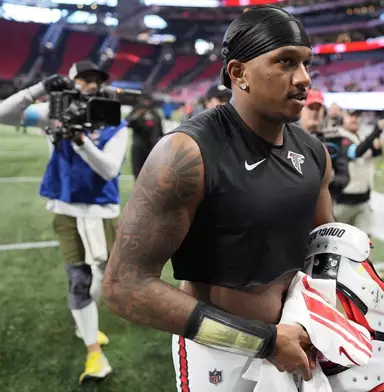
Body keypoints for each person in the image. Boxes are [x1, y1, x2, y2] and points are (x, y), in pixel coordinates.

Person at [102, 6, 335, 392]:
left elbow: (320, 252)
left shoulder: (314, 153)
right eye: (286, 62)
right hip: (221, 353)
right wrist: (264, 341)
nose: (303, 79)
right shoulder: (186, 153)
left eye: (307, 64)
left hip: (299, 337)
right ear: (238, 73)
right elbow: (124, 286)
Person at [0, 60, 127, 381]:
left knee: (104, 276)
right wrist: (39, 88)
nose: (90, 85)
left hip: (101, 210)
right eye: (83, 79)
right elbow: (3, 113)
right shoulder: (53, 111)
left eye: (95, 80)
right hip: (66, 207)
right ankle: (94, 354)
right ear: (70, 83)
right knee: (79, 279)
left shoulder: (111, 117)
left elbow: (110, 170)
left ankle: (85, 319)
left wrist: (80, 142)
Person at [333, 109, 384, 237]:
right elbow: (355, 152)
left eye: (356, 116)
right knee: (338, 246)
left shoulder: (360, 135)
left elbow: (372, 152)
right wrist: (376, 131)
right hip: (343, 203)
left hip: (364, 201)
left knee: (364, 247)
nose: (354, 119)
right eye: (350, 115)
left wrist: (377, 148)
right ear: (342, 117)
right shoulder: (338, 137)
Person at [299, 88, 350, 196]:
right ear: (301, 109)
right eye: (310, 107)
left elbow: (344, 176)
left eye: (318, 108)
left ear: (323, 111)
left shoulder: (334, 139)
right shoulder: (287, 137)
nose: (314, 112)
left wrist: (329, 181)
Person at [126, 93, 164, 179]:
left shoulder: (155, 113)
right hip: (138, 147)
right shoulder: (136, 111)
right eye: (144, 101)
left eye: (148, 101)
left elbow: (161, 131)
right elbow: (126, 123)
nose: (146, 103)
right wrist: (137, 115)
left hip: (152, 148)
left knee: (152, 174)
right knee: (138, 173)